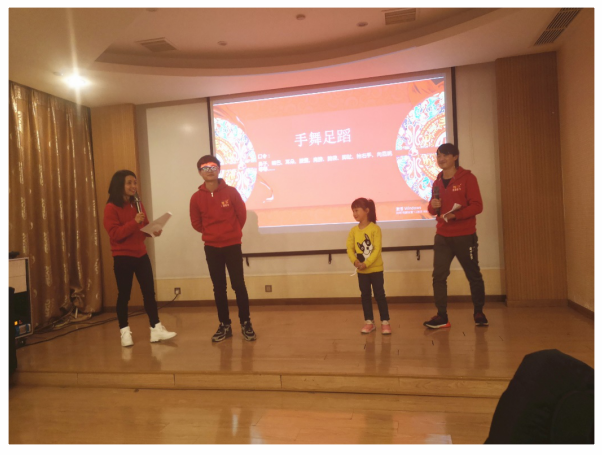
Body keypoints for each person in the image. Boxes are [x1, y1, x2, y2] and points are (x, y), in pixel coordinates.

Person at [103, 170, 177, 347]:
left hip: (141, 254)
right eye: (129, 183)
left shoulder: (137, 203)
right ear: (119, 184)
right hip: (122, 257)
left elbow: (144, 227)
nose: (133, 186)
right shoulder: (111, 207)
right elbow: (115, 234)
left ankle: (155, 329)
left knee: (149, 292)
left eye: (135, 183)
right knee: (124, 295)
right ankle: (124, 331)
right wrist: (134, 222)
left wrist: (154, 231)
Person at [189, 155, 256, 342]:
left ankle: (246, 323)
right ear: (200, 172)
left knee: (238, 285)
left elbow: (241, 216)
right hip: (211, 247)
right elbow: (196, 223)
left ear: (219, 169)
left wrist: (230, 232)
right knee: (219, 287)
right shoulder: (196, 198)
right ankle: (224, 325)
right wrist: (212, 234)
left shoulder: (232, 192)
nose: (209, 170)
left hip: (232, 245)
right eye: (205, 167)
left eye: (213, 167)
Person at [424, 143, 488, 329]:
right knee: (439, 276)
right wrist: (432, 206)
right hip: (442, 236)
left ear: (455, 157)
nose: (441, 159)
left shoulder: (467, 178)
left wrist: (456, 215)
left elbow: (477, 206)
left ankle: (479, 312)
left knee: (473, 274)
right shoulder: (437, 182)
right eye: (438, 155)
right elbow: (432, 210)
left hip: (465, 235)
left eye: (445, 155)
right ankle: (442, 316)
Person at [346, 198, 391, 335]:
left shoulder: (375, 229)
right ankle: (369, 322)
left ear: (367, 211)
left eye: (357, 210)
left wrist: (366, 263)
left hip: (375, 269)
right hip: (362, 271)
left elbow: (377, 250)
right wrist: (355, 262)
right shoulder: (353, 231)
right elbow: (349, 249)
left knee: (379, 295)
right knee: (365, 296)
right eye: (353, 211)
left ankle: (385, 322)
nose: (354, 213)